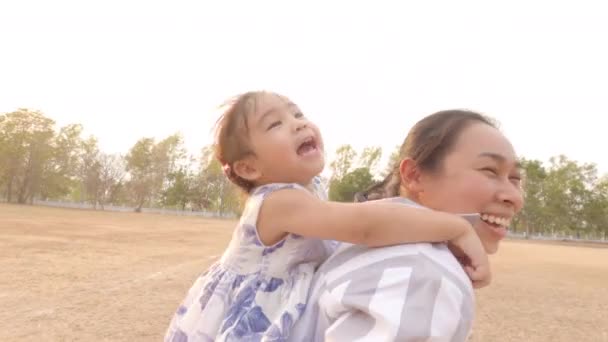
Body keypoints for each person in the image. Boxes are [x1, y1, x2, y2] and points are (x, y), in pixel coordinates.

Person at [163, 92, 490, 341]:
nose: (298, 123)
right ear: (249, 168)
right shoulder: (278, 201)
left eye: (297, 113)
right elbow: (365, 227)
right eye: (275, 124)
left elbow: (365, 214)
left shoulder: (308, 192)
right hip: (254, 313)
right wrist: (455, 228)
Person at [292, 109, 524, 341]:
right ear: (414, 175)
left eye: (515, 179)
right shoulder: (422, 272)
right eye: (490, 171)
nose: (514, 197)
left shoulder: (368, 249)